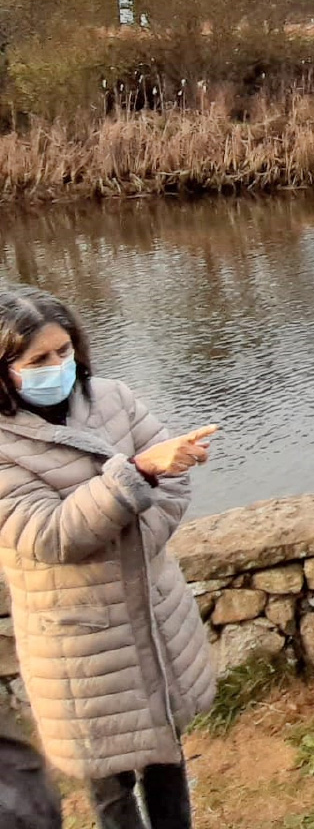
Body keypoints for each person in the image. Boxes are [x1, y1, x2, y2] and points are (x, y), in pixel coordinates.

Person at [0, 288, 217, 829]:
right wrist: (136, 474)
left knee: (168, 759)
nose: (58, 366)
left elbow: (175, 482)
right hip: (80, 646)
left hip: (153, 619)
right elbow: (49, 535)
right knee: (109, 781)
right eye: (39, 360)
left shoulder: (112, 398)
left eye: (65, 351)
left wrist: (137, 524)